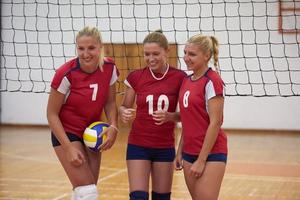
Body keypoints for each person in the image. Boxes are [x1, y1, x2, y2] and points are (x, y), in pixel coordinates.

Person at [47, 26, 119, 200]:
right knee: (87, 191)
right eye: (81, 48)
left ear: (100, 47)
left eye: (91, 48)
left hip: (93, 133)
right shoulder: (65, 73)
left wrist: (113, 126)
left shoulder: (109, 68)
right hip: (67, 132)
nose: (86, 54)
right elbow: (51, 114)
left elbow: (110, 102)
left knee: (86, 189)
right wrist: (68, 147)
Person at [119, 30, 186, 200]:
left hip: (164, 147)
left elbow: (187, 115)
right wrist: (123, 112)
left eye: (156, 53)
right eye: (147, 54)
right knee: (138, 197)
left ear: (167, 51)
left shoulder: (180, 78)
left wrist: (170, 117)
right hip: (138, 145)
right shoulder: (136, 77)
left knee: (162, 198)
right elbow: (124, 107)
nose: (151, 58)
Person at [175, 34, 228, 200]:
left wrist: (202, 160)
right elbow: (188, 119)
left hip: (211, 153)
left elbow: (216, 122)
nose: (186, 58)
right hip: (189, 152)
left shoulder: (212, 80)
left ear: (207, 56)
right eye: (185, 52)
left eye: (192, 54)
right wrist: (180, 151)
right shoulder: (186, 81)